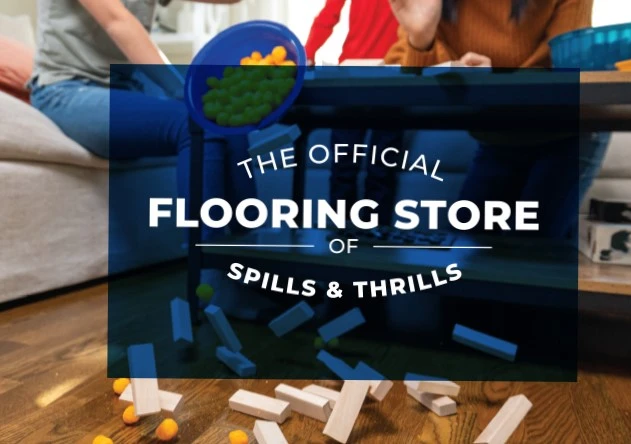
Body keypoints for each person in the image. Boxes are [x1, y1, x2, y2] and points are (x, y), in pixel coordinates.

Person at [29, 0, 270, 318]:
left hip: (128, 89)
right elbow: (117, 20)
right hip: (67, 91)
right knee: (198, 124)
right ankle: (210, 280)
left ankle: (250, 270)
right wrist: (189, 93)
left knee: (229, 123)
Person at [385, 0, 610, 239]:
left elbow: (565, 64)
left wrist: (489, 83)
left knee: (533, 248)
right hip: (498, 133)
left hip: (566, 131)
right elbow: (402, 71)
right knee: (467, 247)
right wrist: (421, 38)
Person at [305, 0, 403, 226]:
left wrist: (308, 53)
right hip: (360, 76)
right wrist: (307, 54)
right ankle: (346, 237)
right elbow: (329, 15)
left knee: (373, 170)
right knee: (353, 168)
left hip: (389, 76)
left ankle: (371, 240)